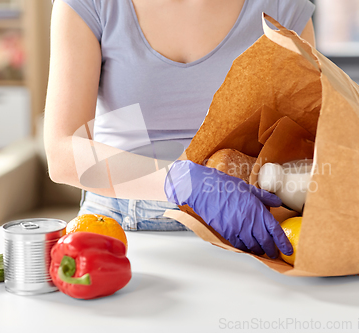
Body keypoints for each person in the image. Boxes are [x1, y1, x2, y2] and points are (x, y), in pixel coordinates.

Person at [44, 0, 316, 257]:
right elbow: (62, 153)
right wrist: (176, 181)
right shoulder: (93, 5)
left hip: (247, 226)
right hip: (118, 226)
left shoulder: (281, 7)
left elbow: (310, 141)